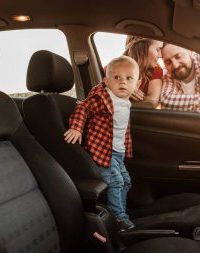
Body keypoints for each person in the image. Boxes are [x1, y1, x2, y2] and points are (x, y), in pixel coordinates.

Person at [64, 55, 140, 230]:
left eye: (129, 78)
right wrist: (76, 128)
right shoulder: (103, 99)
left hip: (118, 153)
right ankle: (119, 218)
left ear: (137, 83)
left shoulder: (125, 100)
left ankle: (120, 209)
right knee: (116, 182)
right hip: (103, 153)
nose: (123, 82)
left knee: (126, 181)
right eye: (117, 78)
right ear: (106, 81)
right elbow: (83, 107)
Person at [123, 36, 163, 107]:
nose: (160, 55)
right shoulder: (112, 67)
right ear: (142, 49)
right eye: (157, 50)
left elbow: (152, 102)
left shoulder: (156, 69)